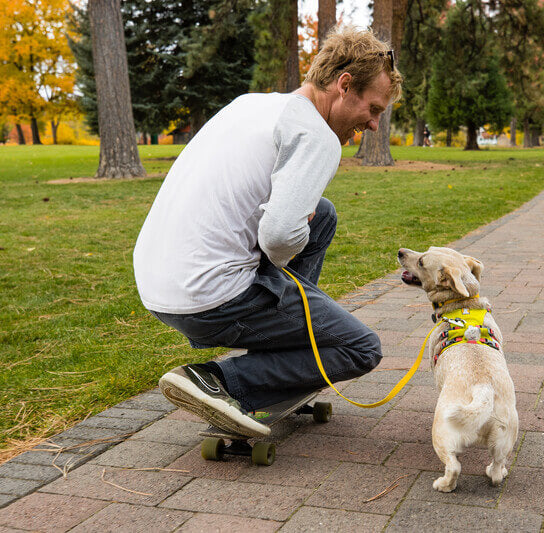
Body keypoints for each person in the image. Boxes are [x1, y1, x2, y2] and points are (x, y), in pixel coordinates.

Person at [133, 28, 403, 438]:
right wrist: (275, 258)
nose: (374, 124)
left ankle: (282, 344)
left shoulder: (252, 104)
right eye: (373, 108)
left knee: (323, 215)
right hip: (208, 297)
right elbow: (277, 239)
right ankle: (220, 381)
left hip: (156, 283)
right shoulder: (317, 136)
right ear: (344, 85)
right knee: (361, 348)